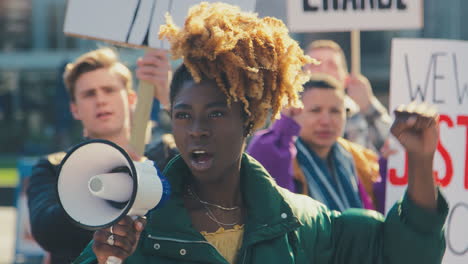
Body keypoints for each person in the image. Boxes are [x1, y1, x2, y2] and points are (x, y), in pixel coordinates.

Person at [74, 3, 447, 264]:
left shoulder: (303, 223)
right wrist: (107, 260)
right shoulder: (136, 229)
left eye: (216, 113)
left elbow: (403, 253)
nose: (197, 130)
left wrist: (420, 159)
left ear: (248, 119)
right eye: (184, 115)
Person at [26, 47, 174, 264]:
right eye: (89, 94)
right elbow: (48, 233)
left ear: (132, 98)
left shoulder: (166, 154)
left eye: (109, 89)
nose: (101, 100)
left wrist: (171, 100)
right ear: (75, 110)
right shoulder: (53, 167)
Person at [247, 73, 379, 211]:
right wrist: (283, 129)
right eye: (316, 110)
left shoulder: (358, 158)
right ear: (295, 111)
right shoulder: (280, 151)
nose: (326, 121)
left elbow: (384, 203)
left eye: (335, 111)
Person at [304, 40, 392, 154]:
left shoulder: (362, 114)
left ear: (345, 77)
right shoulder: (290, 114)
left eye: (332, 65)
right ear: (301, 75)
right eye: (315, 64)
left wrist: (369, 107)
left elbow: (395, 148)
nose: (323, 71)